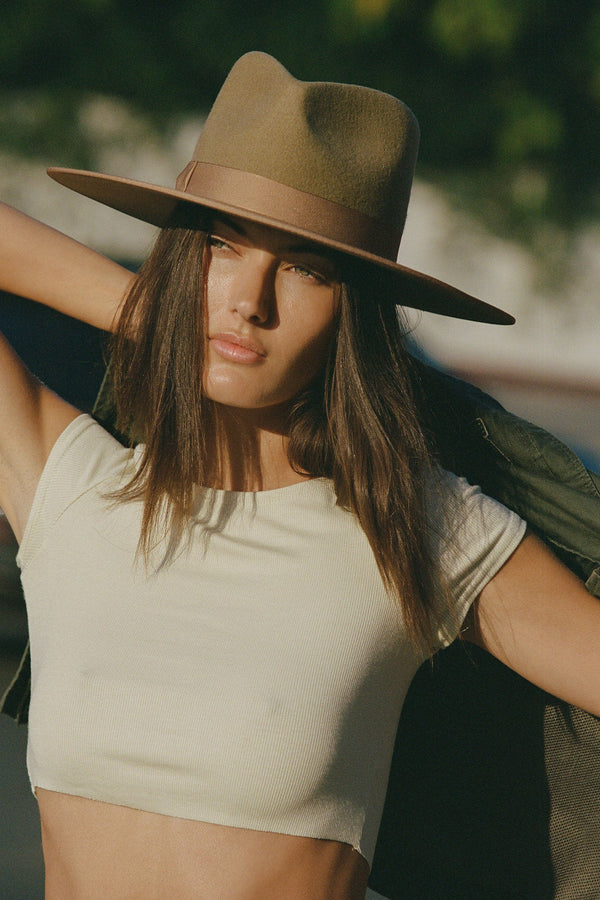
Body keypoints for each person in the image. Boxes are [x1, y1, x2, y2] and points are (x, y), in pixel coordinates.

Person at [0, 52, 598, 900]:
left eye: (306, 267)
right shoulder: (69, 488)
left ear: (352, 311)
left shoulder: (414, 525)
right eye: (220, 248)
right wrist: (154, 318)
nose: (250, 299)